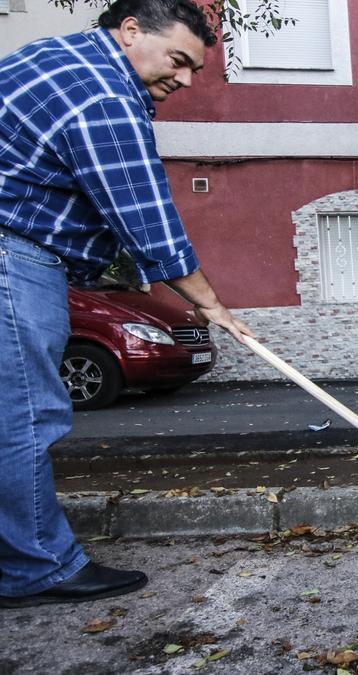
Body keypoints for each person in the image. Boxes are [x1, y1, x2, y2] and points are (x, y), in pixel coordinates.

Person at [0, 0, 254, 608]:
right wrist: (210, 304)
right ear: (131, 30)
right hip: (11, 260)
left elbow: (63, 182)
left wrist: (115, 263)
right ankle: (36, 568)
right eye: (178, 60)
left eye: (195, 69)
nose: (185, 80)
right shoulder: (104, 93)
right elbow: (147, 217)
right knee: (25, 417)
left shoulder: (53, 58)